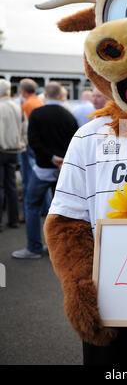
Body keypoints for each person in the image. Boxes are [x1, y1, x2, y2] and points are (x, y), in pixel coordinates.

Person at [12, 82, 78, 259]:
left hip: (42, 168)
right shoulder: (69, 116)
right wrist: (62, 159)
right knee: (61, 210)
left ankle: (33, 247)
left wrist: (50, 157)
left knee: (32, 205)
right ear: (61, 96)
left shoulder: (37, 114)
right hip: (63, 170)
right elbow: (74, 144)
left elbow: (33, 141)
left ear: (46, 95)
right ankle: (59, 248)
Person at [19, 79, 47, 222]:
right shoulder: (40, 102)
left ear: (23, 91)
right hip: (42, 145)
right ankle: (45, 208)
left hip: (29, 145)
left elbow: (23, 127)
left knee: (30, 179)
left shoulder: (26, 105)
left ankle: (27, 213)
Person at [0, 79, 27, 232]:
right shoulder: (17, 106)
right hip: (14, 151)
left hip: (1, 149)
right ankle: (14, 220)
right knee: (11, 186)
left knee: (1, 186)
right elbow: (25, 128)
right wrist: (21, 143)